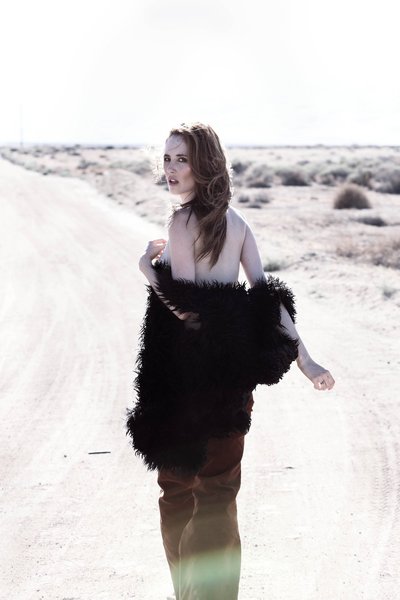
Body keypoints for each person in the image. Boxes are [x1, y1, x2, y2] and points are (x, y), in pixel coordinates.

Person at [126, 122, 335, 600]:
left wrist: (146, 268)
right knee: (218, 492)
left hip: (183, 384)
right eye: (167, 158)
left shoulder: (181, 222)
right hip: (230, 385)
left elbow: (185, 310)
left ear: (204, 165)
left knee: (178, 492)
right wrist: (306, 361)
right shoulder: (237, 223)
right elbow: (268, 300)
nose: (171, 169)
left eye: (182, 159)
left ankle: (190, 594)